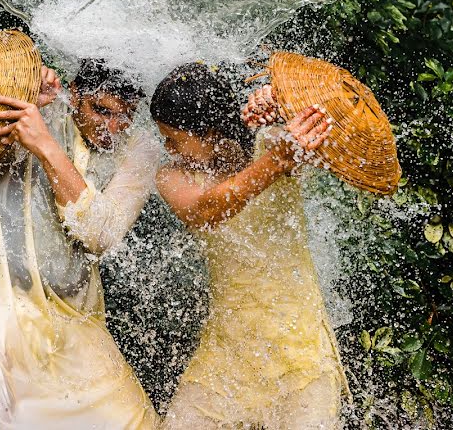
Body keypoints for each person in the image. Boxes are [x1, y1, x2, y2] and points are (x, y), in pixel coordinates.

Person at [0, 59, 161, 429]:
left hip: (74, 318)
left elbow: (100, 235)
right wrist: (3, 101)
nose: (111, 127)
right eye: (101, 110)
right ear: (75, 93)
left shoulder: (140, 149)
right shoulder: (37, 109)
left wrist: (46, 147)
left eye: (125, 116)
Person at [149, 63, 350, 430]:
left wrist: (284, 104)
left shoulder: (270, 141)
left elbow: (330, 125)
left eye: (174, 139)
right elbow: (205, 210)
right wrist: (276, 162)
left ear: (208, 132)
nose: (167, 147)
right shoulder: (172, 175)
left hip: (299, 351)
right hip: (226, 352)